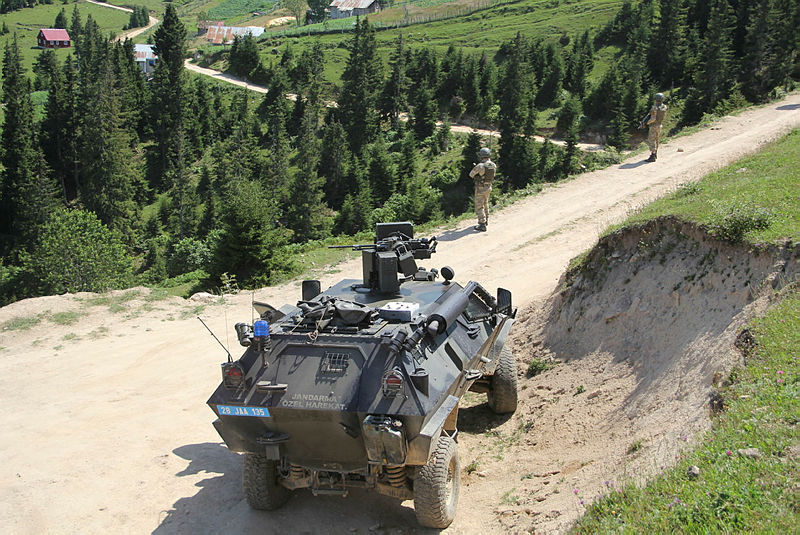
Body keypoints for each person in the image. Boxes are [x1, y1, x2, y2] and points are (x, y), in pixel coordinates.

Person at [469, 147, 496, 232]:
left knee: (479, 205)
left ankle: (482, 223)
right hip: (489, 187)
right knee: (485, 203)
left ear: (481, 155)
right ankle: (486, 219)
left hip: (481, 187)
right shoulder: (493, 165)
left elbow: (471, 174)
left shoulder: (480, 165)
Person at [643, 92, 668, 162]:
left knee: (651, 140)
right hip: (660, 125)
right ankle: (655, 153)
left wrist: (647, 123)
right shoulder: (664, 107)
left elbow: (653, 118)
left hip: (653, 125)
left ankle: (652, 155)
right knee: (657, 140)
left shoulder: (654, 108)